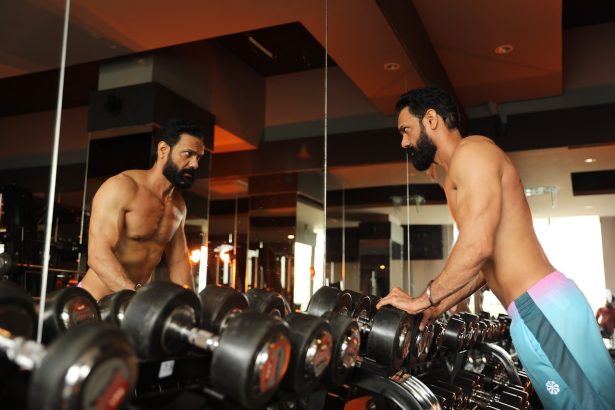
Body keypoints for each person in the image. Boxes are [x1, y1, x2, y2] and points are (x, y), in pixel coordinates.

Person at [376, 86, 615, 409]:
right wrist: (435, 307)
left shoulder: (470, 153)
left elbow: (476, 245)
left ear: (431, 119)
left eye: (406, 130)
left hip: (540, 308)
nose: (404, 142)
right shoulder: (459, 172)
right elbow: (483, 267)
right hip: (539, 307)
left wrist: (422, 299)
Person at [79, 119, 206, 301]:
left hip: (132, 305)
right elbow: (98, 255)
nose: (195, 164)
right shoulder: (122, 187)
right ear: (163, 150)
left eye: (198, 157)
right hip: (93, 302)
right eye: (188, 154)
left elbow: (179, 264)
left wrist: (190, 306)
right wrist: (139, 298)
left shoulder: (178, 206)